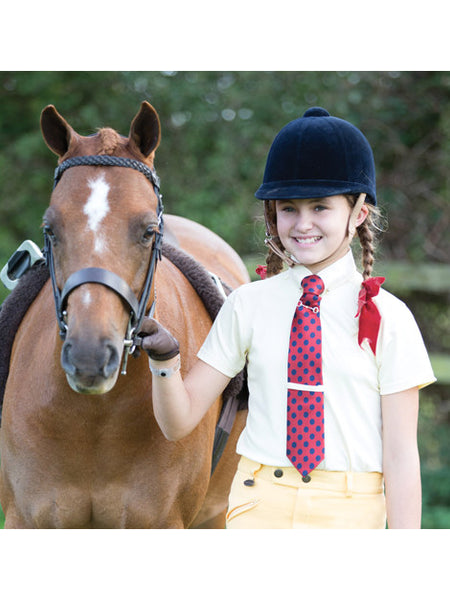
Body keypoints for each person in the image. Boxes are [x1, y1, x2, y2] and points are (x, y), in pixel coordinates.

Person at [139, 107, 436, 529]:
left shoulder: (391, 317)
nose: (302, 224)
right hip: (259, 506)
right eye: (289, 209)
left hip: (351, 513)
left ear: (359, 213)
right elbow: (178, 422)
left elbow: (402, 457)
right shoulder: (247, 304)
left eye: (320, 208)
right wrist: (165, 364)